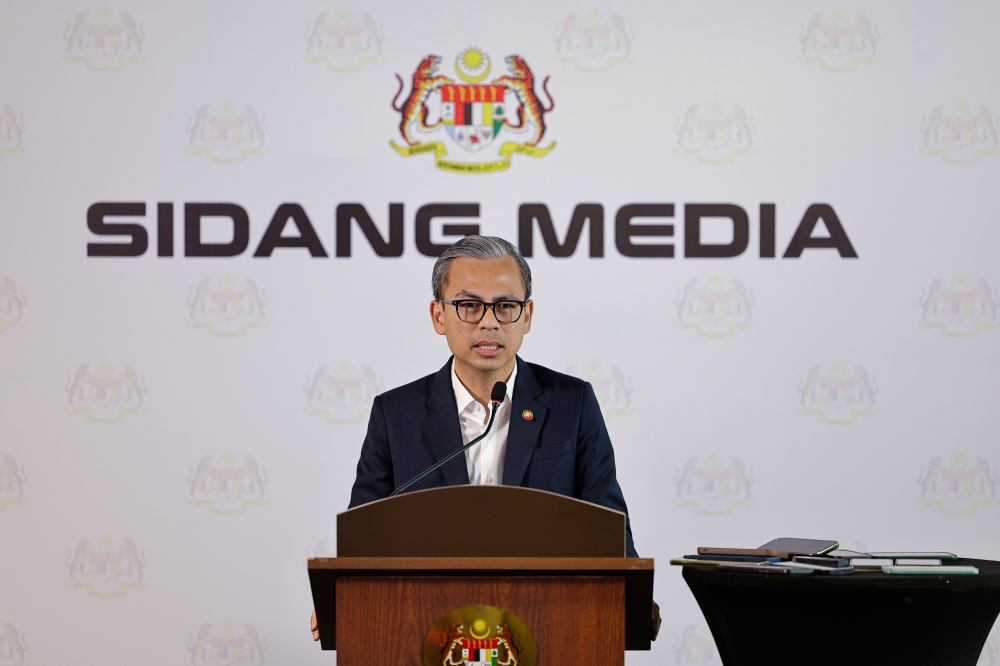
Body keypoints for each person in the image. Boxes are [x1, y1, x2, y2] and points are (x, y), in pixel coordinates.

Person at [311, 235, 659, 641]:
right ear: (439, 316)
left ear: (527, 316)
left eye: (506, 306)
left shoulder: (572, 402)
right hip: (429, 628)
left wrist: (632, 595)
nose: (489, 322)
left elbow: (607, 523)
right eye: (469, 305)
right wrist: (341, 594)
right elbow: (365, 529)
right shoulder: (396, 414)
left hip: (549, 623)